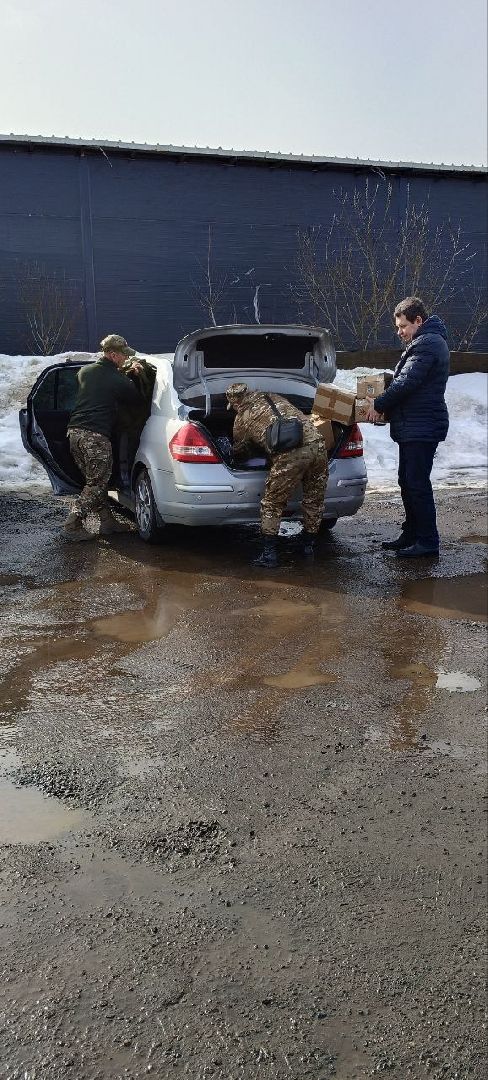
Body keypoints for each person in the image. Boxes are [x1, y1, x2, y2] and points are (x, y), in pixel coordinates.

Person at [366, 297, 449, 557]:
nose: (400, 332)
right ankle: (412, 533)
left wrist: (378, 404)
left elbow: (407, 384)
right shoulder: (423, 342)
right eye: (398, 327)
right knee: (408, 481)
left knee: (417, 483)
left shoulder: (428, 344)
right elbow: (407, 384)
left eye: (403, 326)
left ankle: (427, 541)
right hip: (415, 424)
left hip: (422, 426)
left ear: (418, 321)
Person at [226, 383, 329, 567]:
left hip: (291, 454)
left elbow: (240, 451)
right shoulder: (274, 396)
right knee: (314, 498)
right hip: (318, 445)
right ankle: (307, 546)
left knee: (272, 503)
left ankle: (269, 555)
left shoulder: (241, 418)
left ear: (235, 403)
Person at [64, 334, 144, 540]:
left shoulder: (84, 371)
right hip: (95, 436)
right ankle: (72, 523)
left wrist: (121, 371)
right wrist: (132, 375)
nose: (126, 358)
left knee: (94, 481)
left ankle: (107, 523)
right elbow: (135, 397)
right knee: (98, 484)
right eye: (123, 355)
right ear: (112, 354)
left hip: (74, 433)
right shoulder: (117, 379)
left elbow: (99, 383)